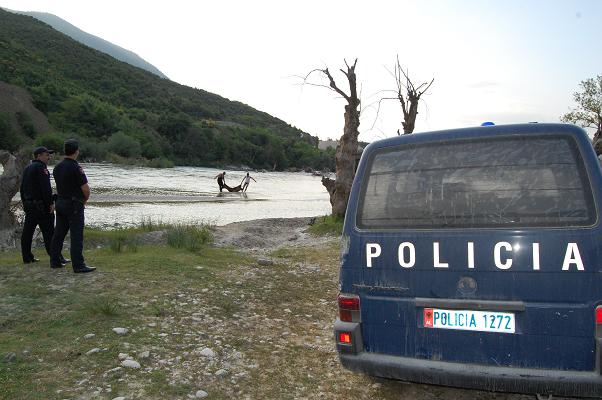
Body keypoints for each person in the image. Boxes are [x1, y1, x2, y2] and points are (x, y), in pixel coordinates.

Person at [49, 139, 95, 273]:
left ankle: (55, 261)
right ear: (77, 151)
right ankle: (78, 265)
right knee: (76, 235)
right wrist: (84, 200)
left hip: (60, 202)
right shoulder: (76, 168)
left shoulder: (57, 167)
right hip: (74, 204)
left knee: (59, 233)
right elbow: (85, 189)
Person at [20, 146, 68, 265]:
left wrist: (24, 203)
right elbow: (45, 188)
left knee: (27, 232)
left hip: (30, 205)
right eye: (46, 155)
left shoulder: (27, 168)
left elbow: (22, 188)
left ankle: (27, 257)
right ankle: (56, 257)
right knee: (50, 233)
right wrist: (50, 203)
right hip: (41, 206)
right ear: (39, 156)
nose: (49, 157)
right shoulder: (41, 168)